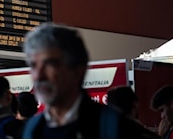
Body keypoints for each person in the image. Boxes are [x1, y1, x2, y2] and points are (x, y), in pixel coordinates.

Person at [22, 22, 160, 138]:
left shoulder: (120, 129)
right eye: (33, 66)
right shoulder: (30, 130)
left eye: (50, 65)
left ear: (78, 69)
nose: (39, 76)